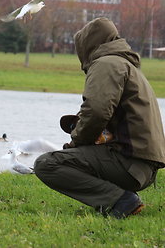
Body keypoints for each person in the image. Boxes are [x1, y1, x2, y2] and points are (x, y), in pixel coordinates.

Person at [34, 17, 165, 219]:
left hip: (129, 164)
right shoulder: (125, 64)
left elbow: (96, 112)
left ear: (87, 44)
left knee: (47, 164)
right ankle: (121, 196)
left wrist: (75, 143)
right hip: (142, 166)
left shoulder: (107, 63)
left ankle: (121, 201)